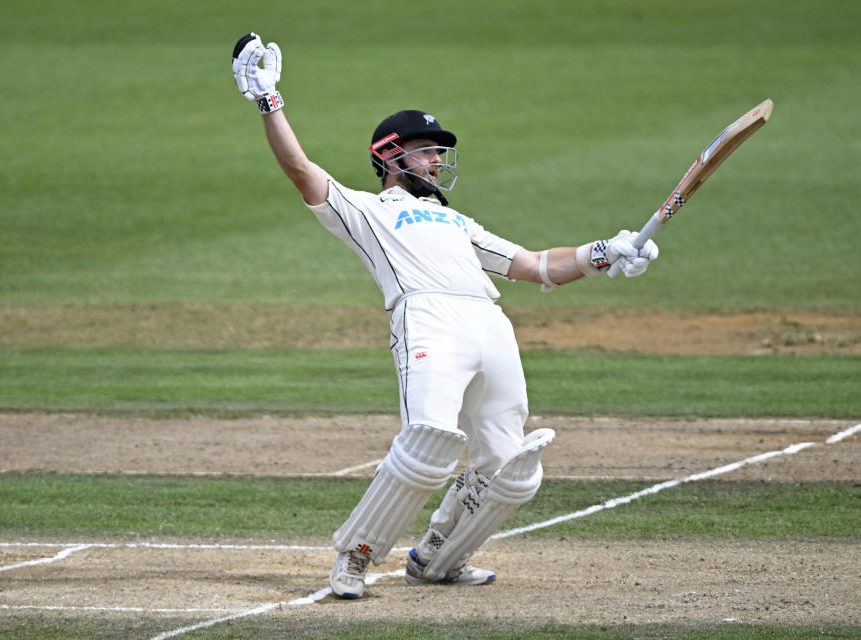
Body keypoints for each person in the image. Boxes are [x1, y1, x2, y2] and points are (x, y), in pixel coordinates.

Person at [231, 33, 658, 600]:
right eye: (425, 148)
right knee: (428, 443)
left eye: (439, 150)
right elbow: (300, 169)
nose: (437, 158)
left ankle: (438, 558)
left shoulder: (460, 224)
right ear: (389, 155)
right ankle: (355, 556)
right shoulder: (367, 210)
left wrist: (604, 252)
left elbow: (533, 264)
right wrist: (269, 101)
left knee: (511, 467)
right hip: (427, 319)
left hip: (489, 323)